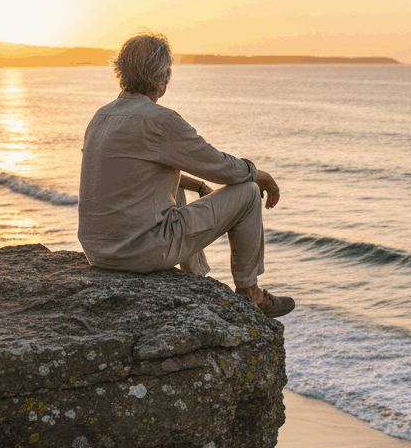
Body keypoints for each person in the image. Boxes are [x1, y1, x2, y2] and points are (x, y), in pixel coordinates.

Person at [78, 29, 295, 318]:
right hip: (141, 253)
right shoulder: (161, 120)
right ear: (163, 77)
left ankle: (195, 278)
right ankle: (250, 292)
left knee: (175, 186)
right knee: (249, 192)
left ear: (121, 71)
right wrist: (259, 174)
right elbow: (223, 168)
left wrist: (195, 183)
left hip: (99, 251)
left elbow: (130, 172)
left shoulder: (101, 117)